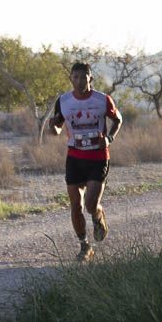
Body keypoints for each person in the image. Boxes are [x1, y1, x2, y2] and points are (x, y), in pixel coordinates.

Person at [46, 61, 122, 262]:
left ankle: (98, 216)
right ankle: (84, 245)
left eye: (83, 77)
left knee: (90, 205)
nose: (79, 81)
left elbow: (118, 120)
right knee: (75, 205)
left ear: (91, 78)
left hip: (98, 158)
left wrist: (108, 139)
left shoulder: (102, 100)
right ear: (71, 78)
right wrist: (52, 127)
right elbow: (57, 129)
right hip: (75, 158)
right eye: (75, 77)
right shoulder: (63, 101)